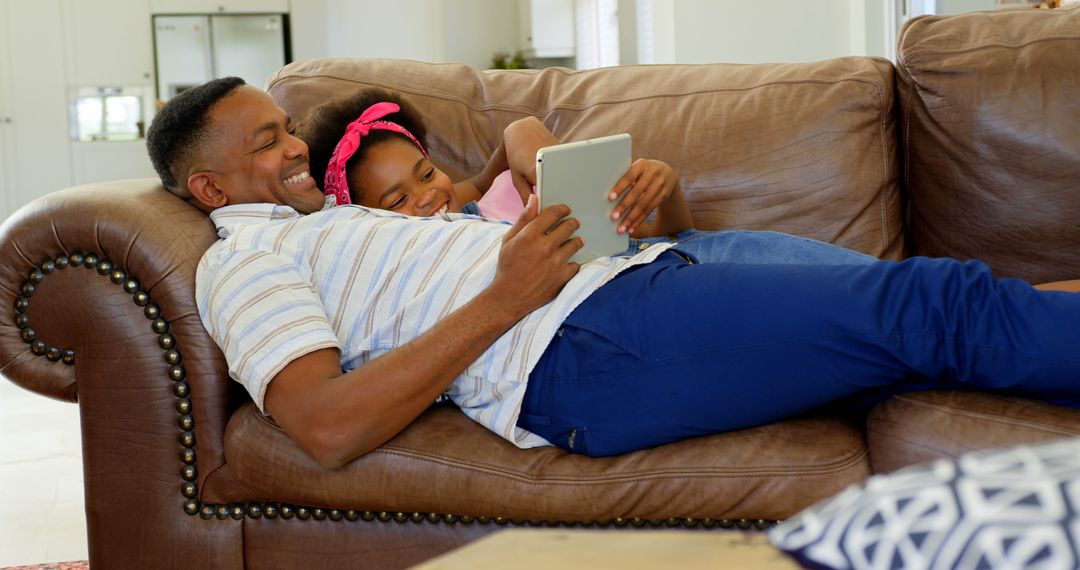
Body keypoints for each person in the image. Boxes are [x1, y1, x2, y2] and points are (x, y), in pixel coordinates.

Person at [147, 76, 1080, 470]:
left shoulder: (338, 218)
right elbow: (321, 427)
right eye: (268, 143)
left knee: (958, 308)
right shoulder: (249, 260)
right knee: (937, 306)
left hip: (642, 275)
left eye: (287, 130)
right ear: (209, 184)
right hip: (585, 345)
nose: (293, 148)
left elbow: (510, 162)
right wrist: (510, 295)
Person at [298, 87, 878, 266]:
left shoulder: (476, 198)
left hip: (677, 257)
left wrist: (665, 185)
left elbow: (670, 239)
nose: (428, 197)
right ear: (364, 219)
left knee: (859, 280)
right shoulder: (415, 256)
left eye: (427, 172)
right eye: (399, 198)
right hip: (641, 287)